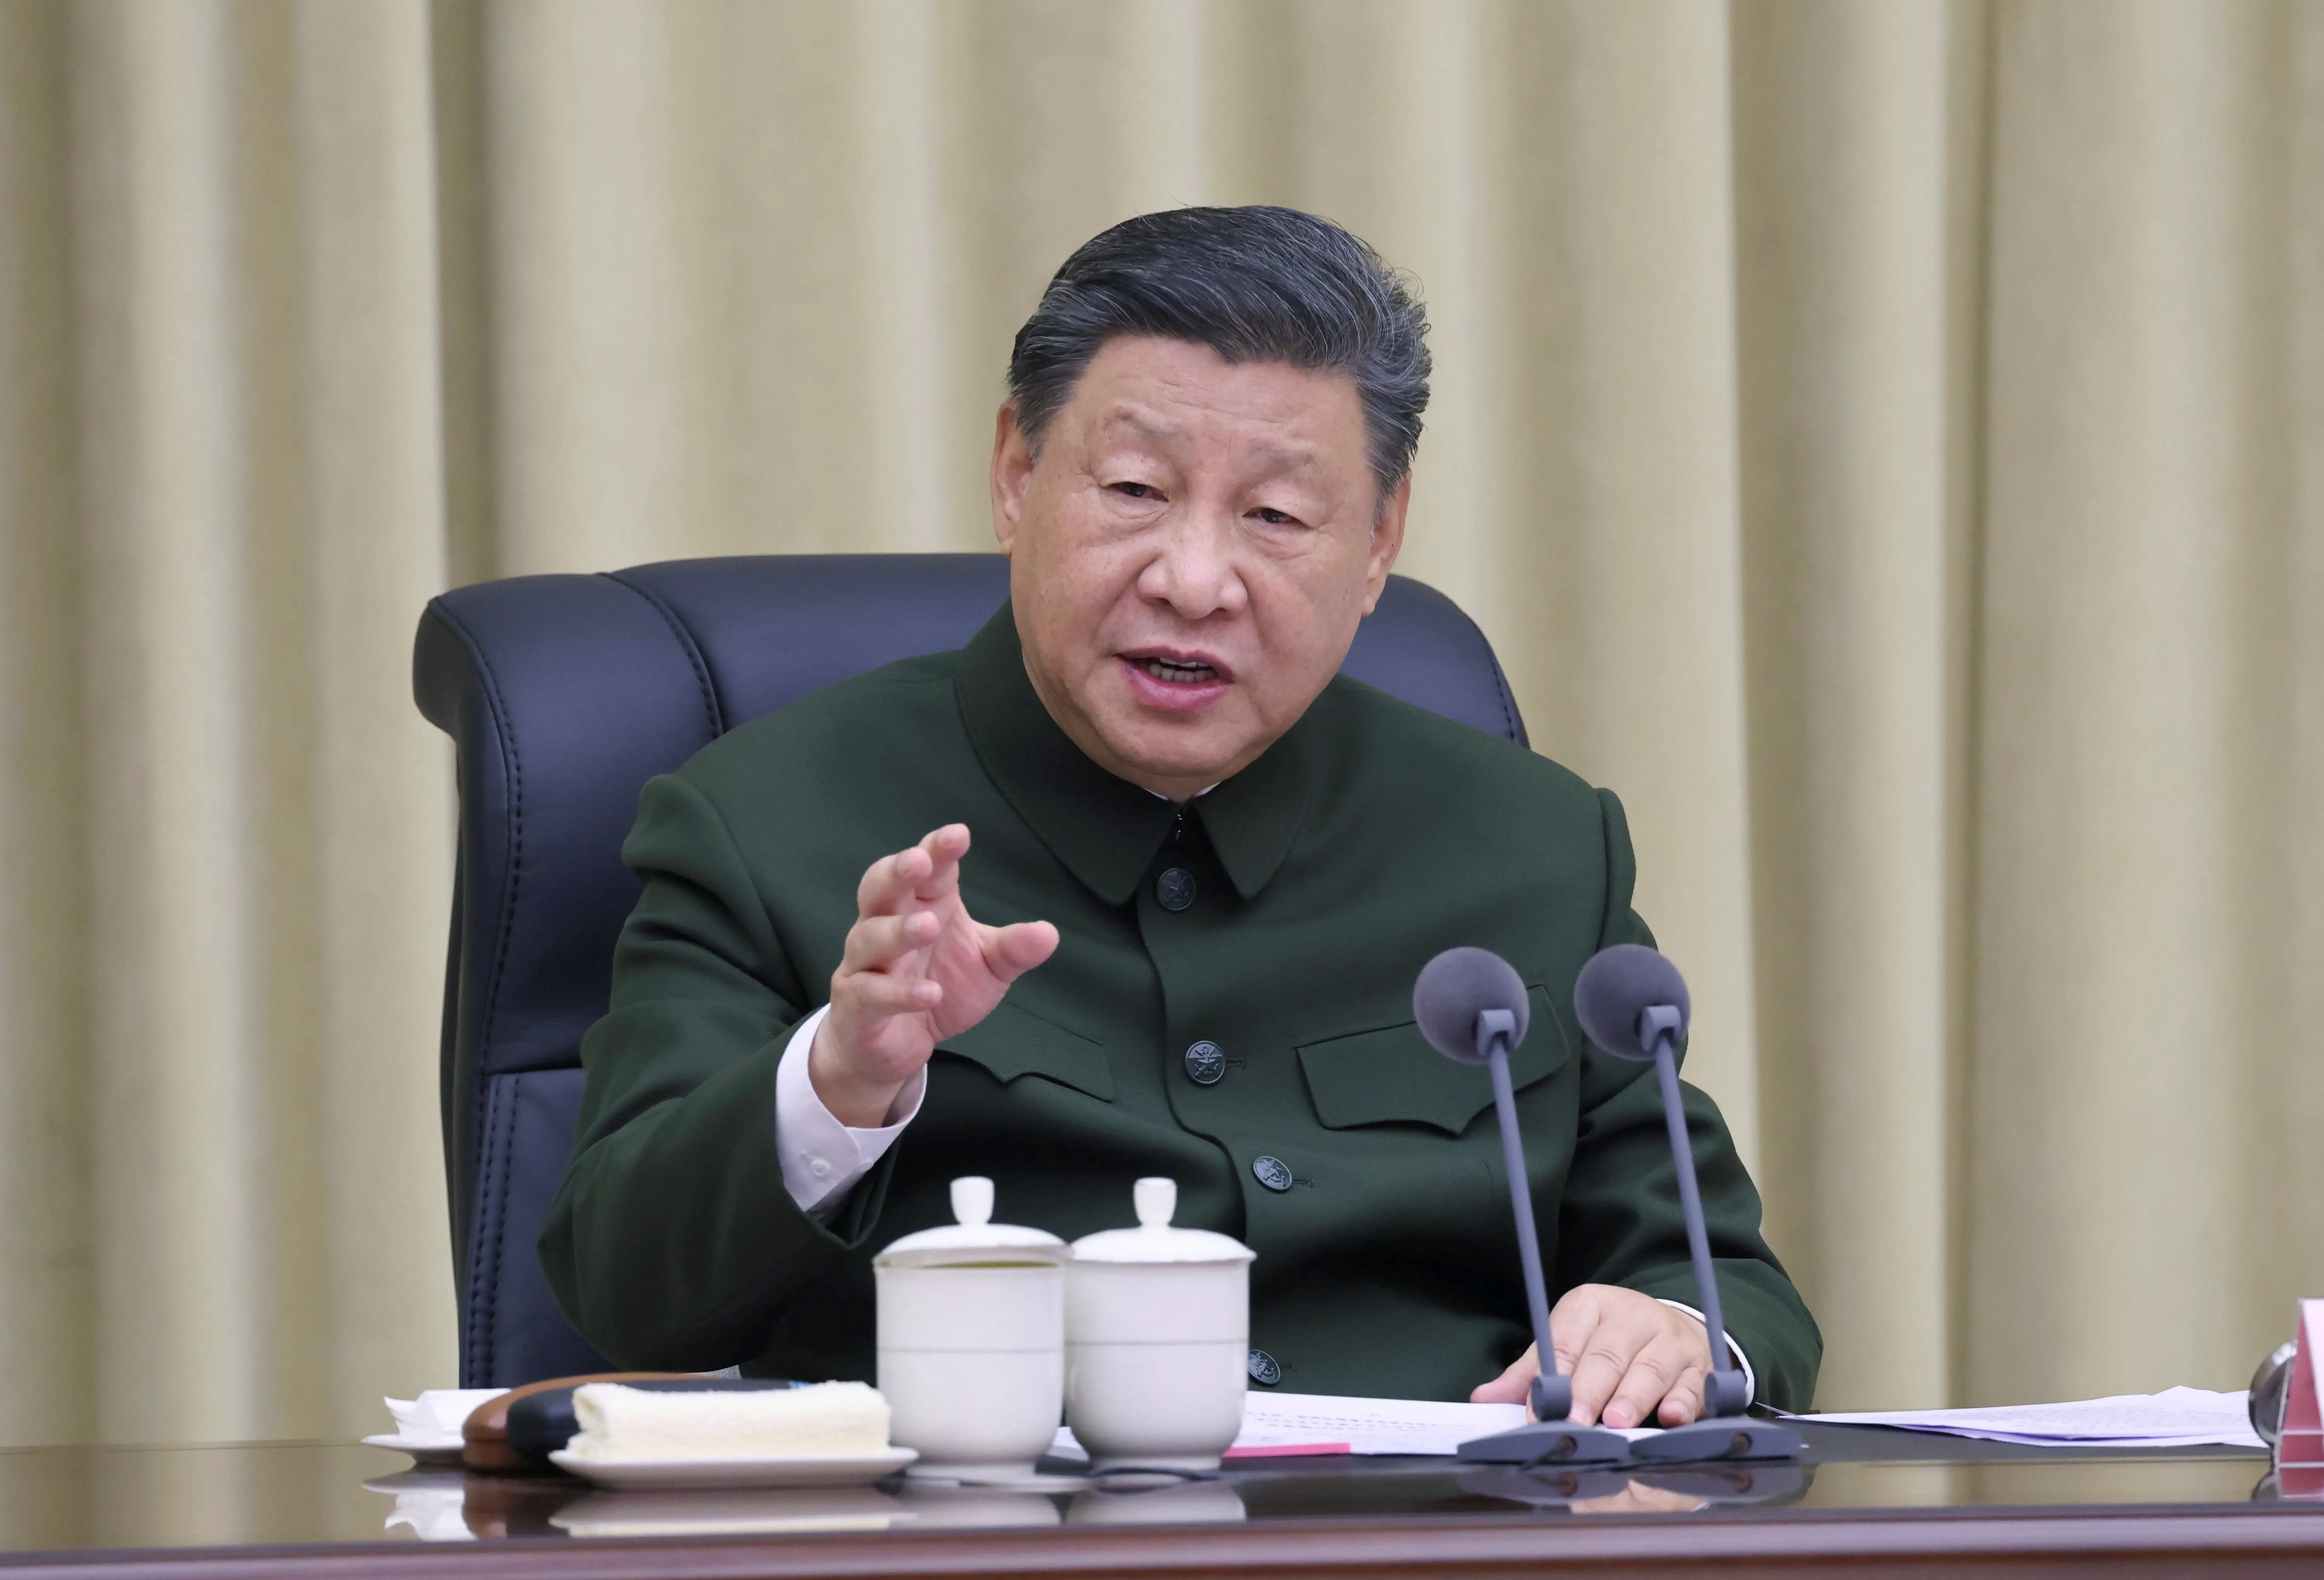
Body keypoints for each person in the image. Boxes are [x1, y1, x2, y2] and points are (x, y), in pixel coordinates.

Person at [541, 206, 1819, 1427]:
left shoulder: (1537, 845)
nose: (1195, 581)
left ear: (1380, 541)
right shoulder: (766, 818)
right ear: (1016, 473)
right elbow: (624, 1293)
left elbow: (1731, 1288)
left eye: (1274, 517)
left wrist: (1677, 1332)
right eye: (1137, 491)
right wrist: (842, 1079)